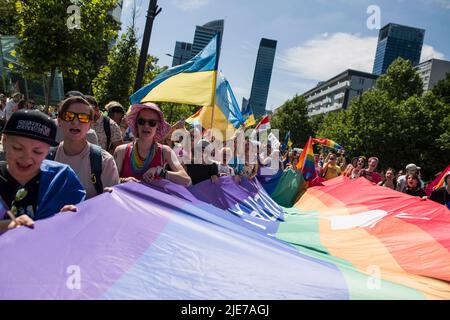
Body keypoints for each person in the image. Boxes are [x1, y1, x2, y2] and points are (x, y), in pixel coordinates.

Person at [0, 109, 85, 231]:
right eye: (18, 148)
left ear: (48, 150)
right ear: (4, 140)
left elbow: (82, 226)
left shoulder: (61, 179)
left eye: (37, 151)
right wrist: (8, 227)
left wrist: (72, 218)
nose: (26, 158)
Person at [51, 96, 119, 199]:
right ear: (59, 121)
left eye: (83, 117)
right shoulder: (46, 158)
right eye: (69, 116)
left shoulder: (104, 161)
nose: (75, 122)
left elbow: (112, 204)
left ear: (90, 124)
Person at [114, 102, 191, 186]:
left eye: (152, 123)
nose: (146, 126)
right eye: (141, 121)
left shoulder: (165, 151)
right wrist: (123, 180)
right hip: (125, 198)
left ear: (158, 126)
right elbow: (110, 180)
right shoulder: (121, 151)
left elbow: (186, 180)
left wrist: (159, 171)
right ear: (136, 124)